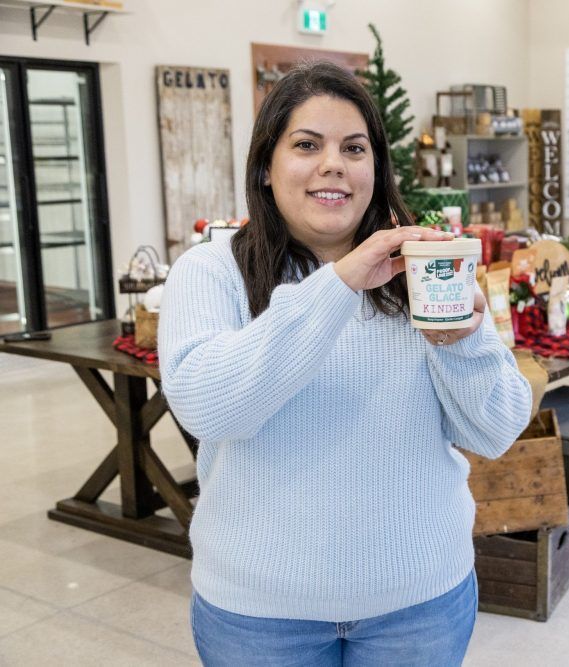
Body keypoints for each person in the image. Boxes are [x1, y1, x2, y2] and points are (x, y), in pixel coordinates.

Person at [158, 62, 531, 665]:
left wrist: (462, 343)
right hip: (260, 614)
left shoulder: (428, 269)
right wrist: (341, 282)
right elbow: (209, 408)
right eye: (307, 145)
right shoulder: (211, 272)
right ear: (266, 166)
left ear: (376, 168)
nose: (333, 163)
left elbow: (496, 430)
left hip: (419, 604)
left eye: (354, 148)